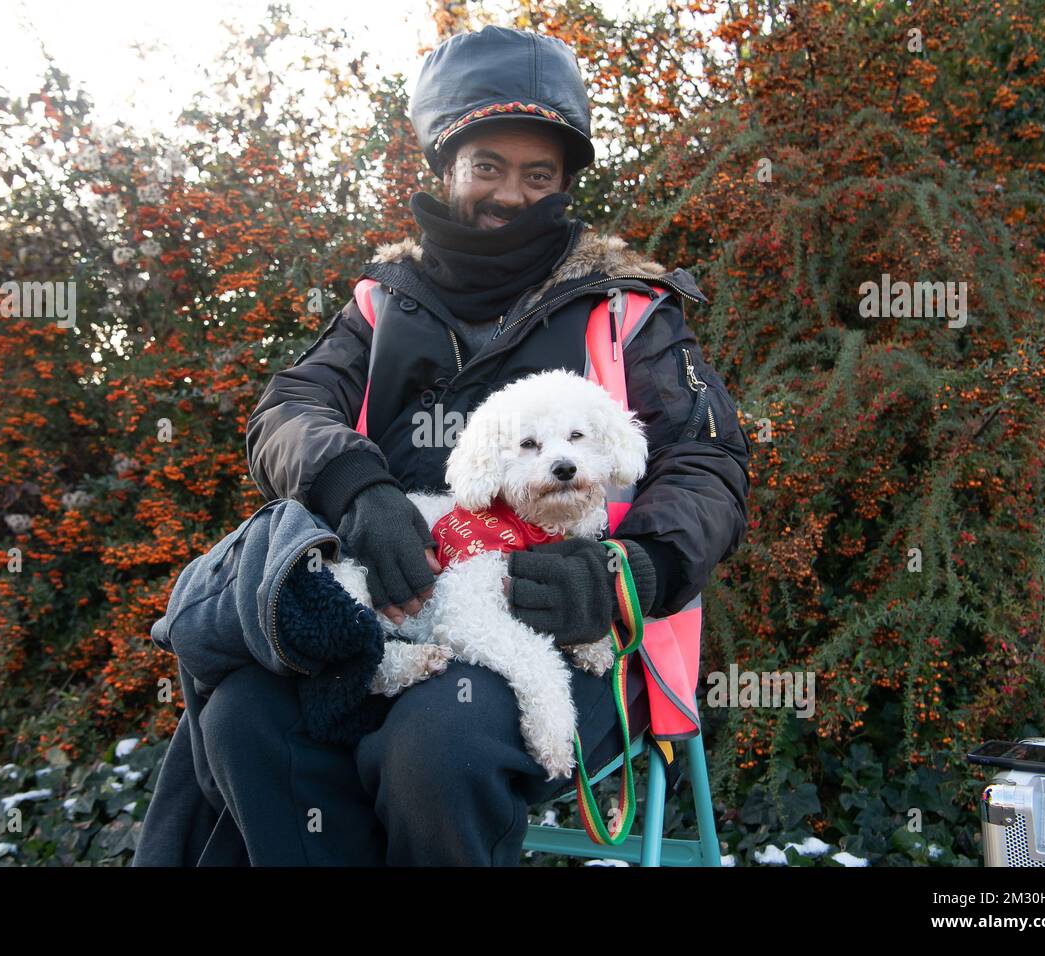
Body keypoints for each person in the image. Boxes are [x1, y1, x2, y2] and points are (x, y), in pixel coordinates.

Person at [134, 25, 750, 867]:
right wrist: (359, 489)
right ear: (445, 165)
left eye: (539, 175)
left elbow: (709, 462)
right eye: (486, 164)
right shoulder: (383, 303)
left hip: (568, 634)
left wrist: (632, 570)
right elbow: (288, 409)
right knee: (245, 716)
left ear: (566, 184)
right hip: (386, 610)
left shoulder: (630, 310)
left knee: (435, 744)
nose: (510, 193)